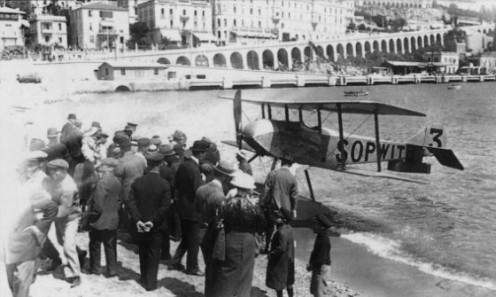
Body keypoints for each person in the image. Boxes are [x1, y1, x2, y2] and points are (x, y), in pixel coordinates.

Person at [5, 151, 58, 297]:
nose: (27, 168)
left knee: (23, 272)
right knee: (16, 270)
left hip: (32, 229)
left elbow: (50, 207)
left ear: (41, 164)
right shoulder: (25, 178)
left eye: (31, 165)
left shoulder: (44, 181)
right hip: (17, 229)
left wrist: (38, 227)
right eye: (27, 164)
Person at [209, 172, 266, 297]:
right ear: (249, 190)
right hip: (247, 240)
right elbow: (262, 226)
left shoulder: (225, 203)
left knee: (226, 271)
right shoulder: (253, 208)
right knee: (245, 274)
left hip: (229, 238)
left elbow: (217, 223)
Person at [127, 152, 170, 291]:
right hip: (156, 226)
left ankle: (143, 277)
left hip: (140, 223)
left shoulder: (137, 182)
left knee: (143, 249)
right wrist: (152, 221)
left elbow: (131, 203)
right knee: (153, 252)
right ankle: (150, 283)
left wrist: (138, 220)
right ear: (160, 165)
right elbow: (164, 207)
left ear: (148, 164)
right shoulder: (164, 185)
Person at [195, 160, 236, 297]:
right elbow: (220, 221)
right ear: (225, 177)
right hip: (212, 235)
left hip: (201, 231)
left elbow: (198, 210)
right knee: (215, 269)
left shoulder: (201, 189)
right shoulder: (220, 196)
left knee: (209, 267)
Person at [170, 140, 209, 275]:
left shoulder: (183, 165)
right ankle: (192, 267)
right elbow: (198, 191)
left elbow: (176, 184)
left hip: (183, 206)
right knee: (193, 240)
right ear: (201, 154)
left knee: (187, 237)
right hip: (193, 210)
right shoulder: (194, 169)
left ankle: (176, 259)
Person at [44, 159, 83, 287]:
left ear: (63, 171)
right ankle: (80, 254)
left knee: (68, 246)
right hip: (60, 218)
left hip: (70, 219)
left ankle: (76, 275)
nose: (53, 173)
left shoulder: (68, 187)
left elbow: (64, 210)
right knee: (62, 242)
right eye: (52, 170)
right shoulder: (57, 180)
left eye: (56, 171)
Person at [88, 158, 121, 277]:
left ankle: (95, 268)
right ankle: (112, 270)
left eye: (104, 165)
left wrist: (91, 216)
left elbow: (98, 204)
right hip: (112, 218)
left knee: (95, 245)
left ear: (110, 168)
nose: (101, 166)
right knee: (111, 245)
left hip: (100, 220)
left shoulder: (102, 182)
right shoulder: (116, 181)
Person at [261, 158, 298, 253]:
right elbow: (294, 196)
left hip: (273, 206)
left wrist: (263, 203)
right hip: (285, 209)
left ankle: (266, 247)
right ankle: (281, 248)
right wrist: (294, 209)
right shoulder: (292, 178)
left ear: (281, 162)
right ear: (290, 165)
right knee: (282, 229)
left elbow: (266, 189)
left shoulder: (273, 173)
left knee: (269, 227)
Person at [114, 137, 146, 233]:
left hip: (127, 189)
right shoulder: (140, 159)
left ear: (121, 149)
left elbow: (118, 178)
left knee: (128, 210)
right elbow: (144, 171)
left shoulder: (121, 161)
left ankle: (130, 231)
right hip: (140, 187)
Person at [266, 208, 295, 297]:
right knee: (289, 283)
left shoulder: (281, 232)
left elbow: (281, 248)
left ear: (284, 219)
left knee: (279, 284)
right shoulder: (289, 229)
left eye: (278, 217)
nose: (275, 219)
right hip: (289, 260)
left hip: (281, 262)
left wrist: (271, 254)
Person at [307, 214, 332, 297]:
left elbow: (321, 259)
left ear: (322, 227)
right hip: (318, 267)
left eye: (315, 224)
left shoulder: (323, 239)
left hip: (321, 268)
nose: (312, 226)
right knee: (315, 291)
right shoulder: (321, 235)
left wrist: (311, 266)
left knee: (319, 293)